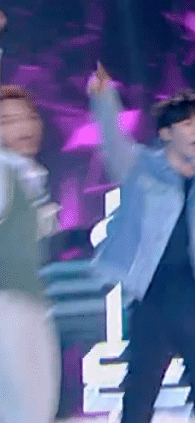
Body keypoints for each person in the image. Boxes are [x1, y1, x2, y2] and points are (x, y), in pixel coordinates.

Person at [87, 63, 195, 423]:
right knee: (139, 397)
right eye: (187, 124)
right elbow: (113, 143)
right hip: (152, 298)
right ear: (165, 133)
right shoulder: (142, 167)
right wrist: (104, 99)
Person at [0, 85, 61, 423]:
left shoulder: (28, 176)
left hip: (28, 303)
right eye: (7, 120)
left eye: (28, 117)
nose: (23, 127)